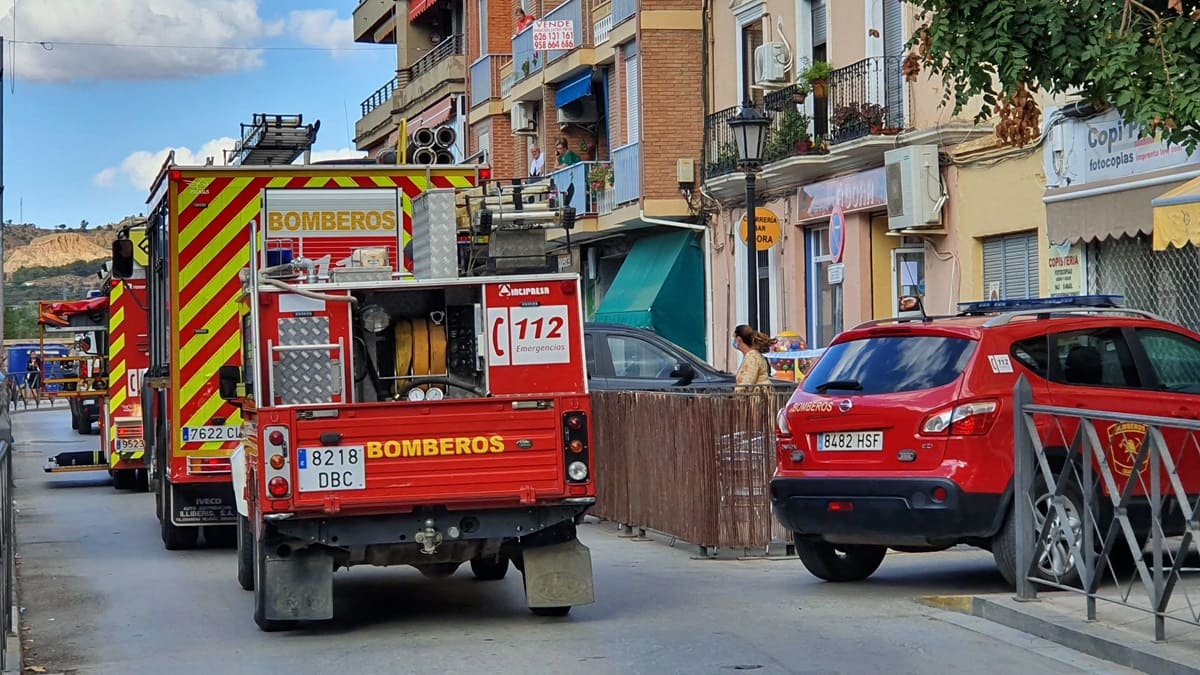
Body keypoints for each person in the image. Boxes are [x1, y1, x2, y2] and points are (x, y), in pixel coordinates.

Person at [733, 324, 773, 390]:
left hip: (758, 398)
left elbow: (747, 383)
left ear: (738, 339)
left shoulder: (752, 358)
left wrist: (735, 396)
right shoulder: (752, 356)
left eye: (734, 338)